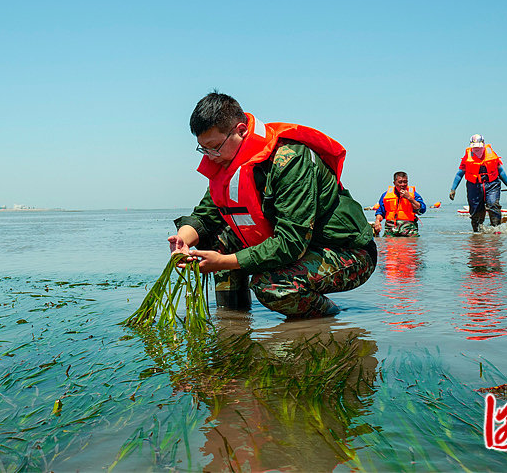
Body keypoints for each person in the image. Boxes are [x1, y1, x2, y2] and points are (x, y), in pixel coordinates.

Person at [170, 92, 377, 319]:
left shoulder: (290, 161)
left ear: (240, 130)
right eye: (203, 149)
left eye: (214, 147)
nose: (209, 156)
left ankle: (327, 320)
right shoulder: (226, 165)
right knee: (216, 238)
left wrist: (224, 263)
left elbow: (291, 242)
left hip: (346, 251)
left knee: (271, 287)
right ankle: (233, 321)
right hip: (296, 249)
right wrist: (183, 239)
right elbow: (207, 214)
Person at [449, 134, 507, 232]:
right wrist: (453, 189)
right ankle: (477, 233)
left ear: (483, 145)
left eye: (479, 147)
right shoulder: (467, 157)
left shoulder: (491, 155)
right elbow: (459, 174)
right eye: (474, 148)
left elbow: (500, 171)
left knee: (493, 204)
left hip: (492, 184)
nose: (477, 150)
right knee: (475, 210)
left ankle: (497, 230)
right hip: (474, 186)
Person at [372, 172, 426, 237]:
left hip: (409, 229)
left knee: (411, 245)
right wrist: (377, 221)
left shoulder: (414, 194)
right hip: (390, 229)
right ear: (394, 183)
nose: (403, 184)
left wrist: (409, 198)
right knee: (386, 245)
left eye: (405, 182)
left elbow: (422, 209)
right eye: (400, 182)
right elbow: (380, 211)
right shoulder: (385, 195)